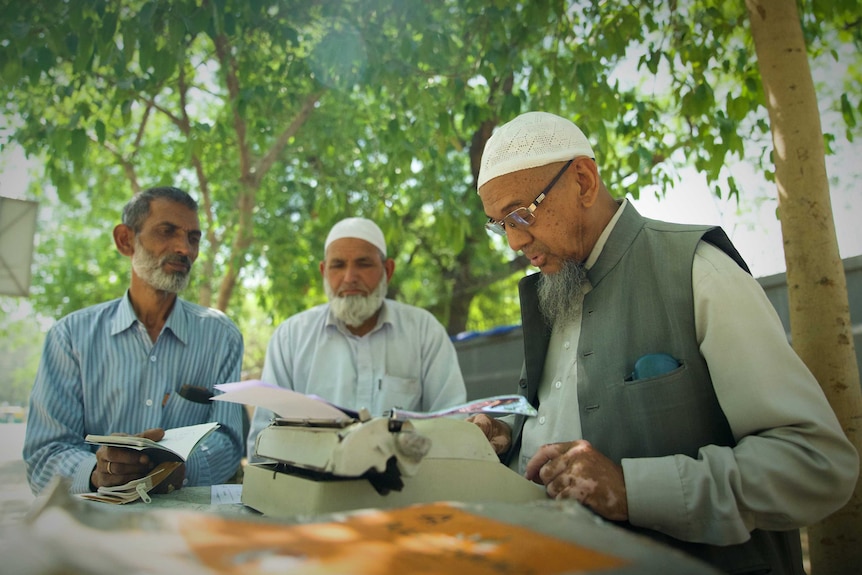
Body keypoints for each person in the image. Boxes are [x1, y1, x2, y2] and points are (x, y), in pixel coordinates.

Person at [468, 111, 859, 573]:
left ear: (583, 181)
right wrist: (509, 434)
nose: (514, 241)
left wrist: (633, 489)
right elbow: (557, 413)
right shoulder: (556, 288)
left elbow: (815, 465)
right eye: (501, 223)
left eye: (521, 214)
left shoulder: (698, 271)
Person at [24, 186, 245, 495]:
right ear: (125, 240)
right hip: (93, 525)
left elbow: (229, 440)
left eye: (193, 238)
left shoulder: (221, 336)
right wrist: (97, 473)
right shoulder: (70, 336)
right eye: (167, 231)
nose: (184, 248)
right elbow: (44, 451)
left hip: (185, 524)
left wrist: (181, 468)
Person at [247, 217, 467, 458]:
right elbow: (264, 439)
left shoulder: (424, 331)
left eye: (363, 264)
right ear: (324, 271)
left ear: (388, 270)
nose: (350, 277)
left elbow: (452, 425)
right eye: (338, 265)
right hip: (311, 490)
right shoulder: (290, 338)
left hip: (408, 491)